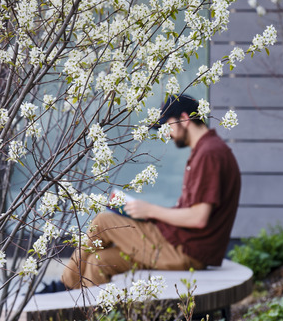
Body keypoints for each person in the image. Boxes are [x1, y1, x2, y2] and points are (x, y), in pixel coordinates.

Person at [58, 94, 241, 290]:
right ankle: (88, 317)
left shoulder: (209, 153)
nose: (166, 134)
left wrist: (150, 210)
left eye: (167, 126)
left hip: (185, 250)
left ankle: (63, 288)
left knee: (103, 222)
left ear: (185, 119)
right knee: (98, 261)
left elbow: (198, 218)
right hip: (178, 243)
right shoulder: (207, 150)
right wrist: (147, 216)